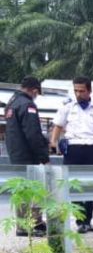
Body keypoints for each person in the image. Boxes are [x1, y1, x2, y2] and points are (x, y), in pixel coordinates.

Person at [49, 76, 93, 234]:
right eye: (76, 90)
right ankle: (80, 221)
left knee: (92, 185)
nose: (78, 94)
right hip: (74, 149)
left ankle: (88, 220)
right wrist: (53, 143)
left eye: (82, 91)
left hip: (92, 149)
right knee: (74, 186)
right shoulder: (67, 106)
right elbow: (58, 126)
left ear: (89, 90)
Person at [4, 76, 50, 236]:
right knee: (35, 189)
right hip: (29, 155)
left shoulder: (11, 103)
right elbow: (33, 134)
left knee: (22, 190)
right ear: (34, 90)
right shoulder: (28, 105)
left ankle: (24, 225)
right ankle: (33, 223)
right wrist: (44, 156)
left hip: (15, 154)